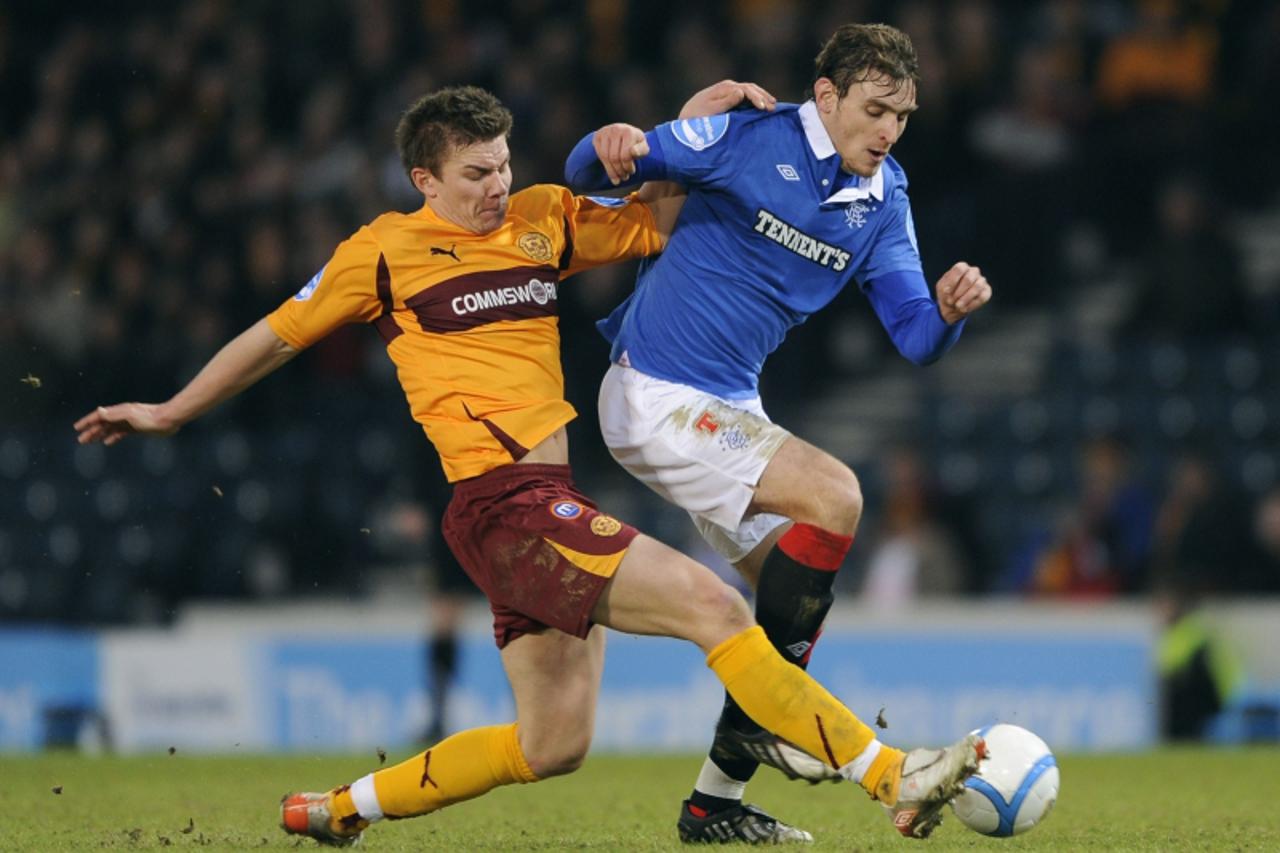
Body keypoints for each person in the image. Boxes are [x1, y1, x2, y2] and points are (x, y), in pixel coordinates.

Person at [74, 85, 983, 847]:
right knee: (715, 608)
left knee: (553, 744)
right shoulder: (381, 252)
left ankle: (338, 809)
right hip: (500, 502)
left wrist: (692, 120)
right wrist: (171, 410)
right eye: (476, 174)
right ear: (425, 179)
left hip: (545, 502)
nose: (498, 186)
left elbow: (655, 223)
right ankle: (890, 773)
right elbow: (275, 336)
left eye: (504, 164)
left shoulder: (540, 219)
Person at [565, 23, 992, 842]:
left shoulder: (882, 199)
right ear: (826, 97)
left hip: (729, 408)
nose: (889, 131)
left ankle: (713, 803)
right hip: (653, 391)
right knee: (836, 495)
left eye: (902, 116)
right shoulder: (749, 138)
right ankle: (852, 758)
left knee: (786, 619)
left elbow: (914, 335)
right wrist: (607, 142)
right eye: (875, 111)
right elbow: (588, 171)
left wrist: (946, 314)